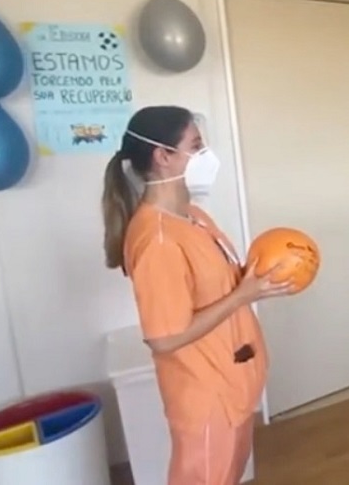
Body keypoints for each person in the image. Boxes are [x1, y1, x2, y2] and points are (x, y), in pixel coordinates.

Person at [101, 105, 295, 485]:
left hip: (233, 382)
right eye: (197, 145)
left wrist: (261, 278)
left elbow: (219, 283)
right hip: (206, 396)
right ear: (163, 156)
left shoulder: (193, 216)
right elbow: (165, 337)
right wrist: (243, 296)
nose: (207, 155)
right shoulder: (157, 239)